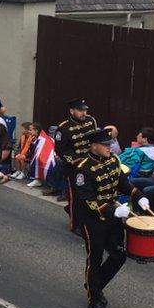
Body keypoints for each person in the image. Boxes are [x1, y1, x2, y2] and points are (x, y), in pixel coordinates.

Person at [72, 128, 146, 308]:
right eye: (105, 145)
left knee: (119, 255)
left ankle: (94, 284)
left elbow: (123, 184)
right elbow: (87, 200)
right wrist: (113, 210)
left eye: (109, 144)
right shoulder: (83, 168)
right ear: (94, 146)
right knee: (94, 259)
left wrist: (138, 196)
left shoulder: (113, 160)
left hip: (113, 218)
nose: (109, 148)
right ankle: (94, 298)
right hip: (93, 220)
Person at [55, 98, 98, 228]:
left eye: (85, 110)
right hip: (73, 167)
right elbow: (60, 150)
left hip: (90, 164)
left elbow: (94, 140)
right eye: (80, 110)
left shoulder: (91, 121)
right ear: (72, 110)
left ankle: (84, 216)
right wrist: (76, 161)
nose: (84, 113)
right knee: (76, 196)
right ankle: (76, 225)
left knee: (90, 193)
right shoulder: (63, 128)